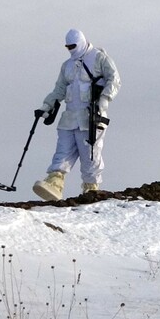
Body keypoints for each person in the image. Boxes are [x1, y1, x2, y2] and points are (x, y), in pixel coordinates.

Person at [32, 29, 121, 200]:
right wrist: (47, 104)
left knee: (90, 153)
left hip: (91, 116)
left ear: (80, 42)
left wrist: (105, 99)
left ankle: (91, 188)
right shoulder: (67, 65)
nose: (70, 49)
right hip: (70, 116)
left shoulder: (99, 58)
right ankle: (54, 182)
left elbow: (114, 79)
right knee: (62, 150)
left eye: (72, 46)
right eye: (67, 46)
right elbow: (60, 88)